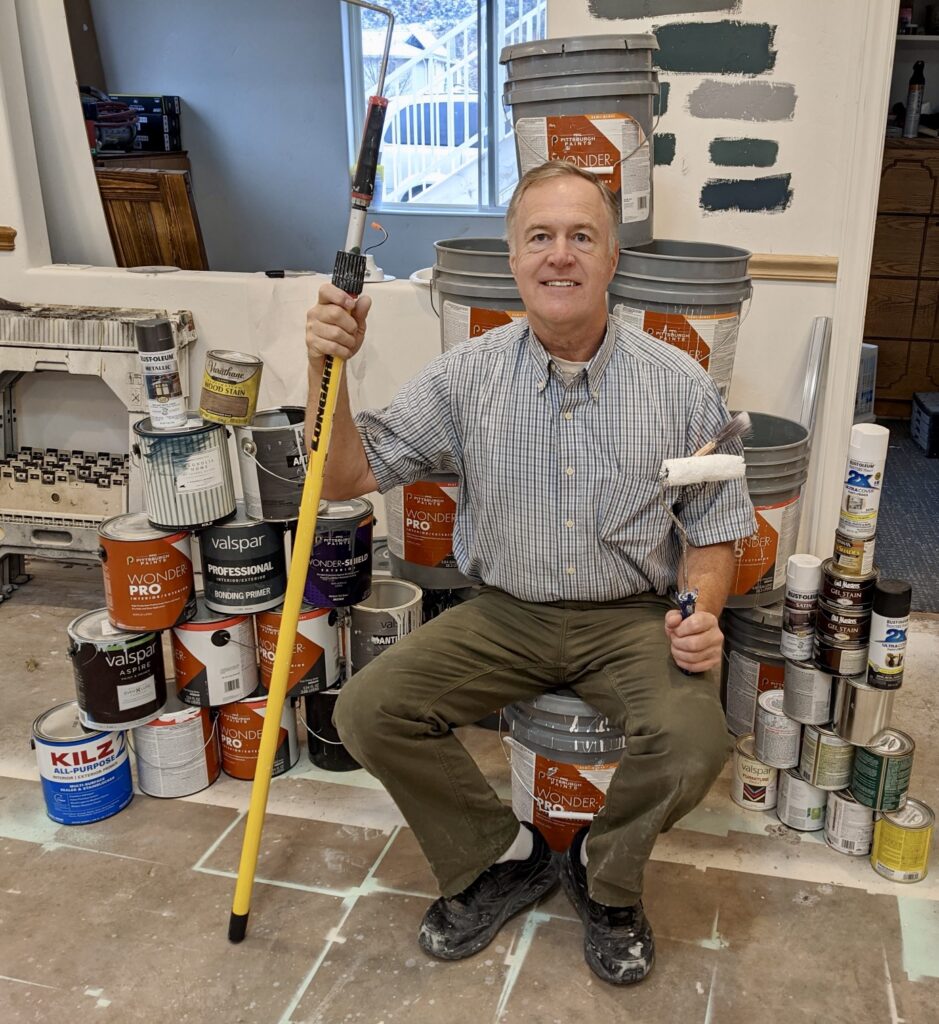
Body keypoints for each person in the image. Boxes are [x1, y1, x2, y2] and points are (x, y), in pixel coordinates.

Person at [304, 160, 756, 986]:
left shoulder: (680, 384)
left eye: (581, 236)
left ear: (611, 259)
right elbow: (342, 478)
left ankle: (602, 876)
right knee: (368, 710)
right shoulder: (465, 376)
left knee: (695, 740)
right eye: (538, 238)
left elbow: (716, 528)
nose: (559, 256)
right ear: (513, 261)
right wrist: (324, 369)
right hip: (501, 612)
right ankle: (500, 857)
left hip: (629, 616)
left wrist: (700, 610)